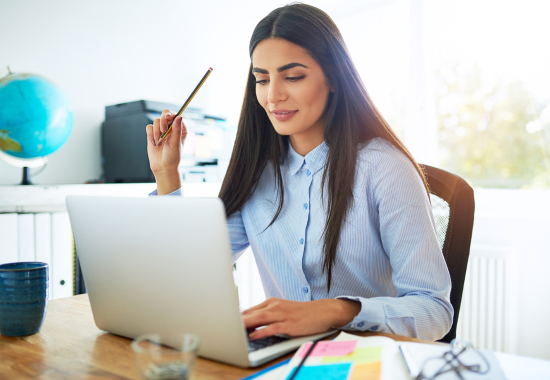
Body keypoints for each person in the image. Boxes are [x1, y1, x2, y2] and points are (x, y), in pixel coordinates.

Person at [146, 3, 453, 342]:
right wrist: (166, 173)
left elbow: (433, 311)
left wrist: (338, 311)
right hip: (280, 357)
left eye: (293, 77)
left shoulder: (385, 168)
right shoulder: (256, 173)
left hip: (362, 360)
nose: (273, 96)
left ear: (334, 78)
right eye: (262, 79)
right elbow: (187, 270)